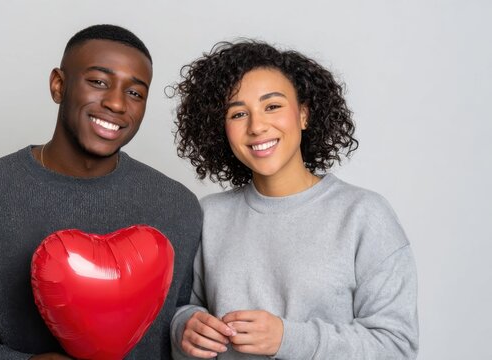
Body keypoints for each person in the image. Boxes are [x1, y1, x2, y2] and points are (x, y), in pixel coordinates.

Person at [0, 24, 202, 360]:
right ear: (58, 85)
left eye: (134, 93)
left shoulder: (178, 207)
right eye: (98, 82)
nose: (117, 103)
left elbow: (183, 323)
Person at [169, 41, 419, 359]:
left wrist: (287, 339)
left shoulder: (364, 215)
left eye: (272, 106)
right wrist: (184, 326)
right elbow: (179, 310)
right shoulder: (209, 215)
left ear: (303, 114)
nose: (257, 126)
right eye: (238, 113)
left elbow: (396, 347)